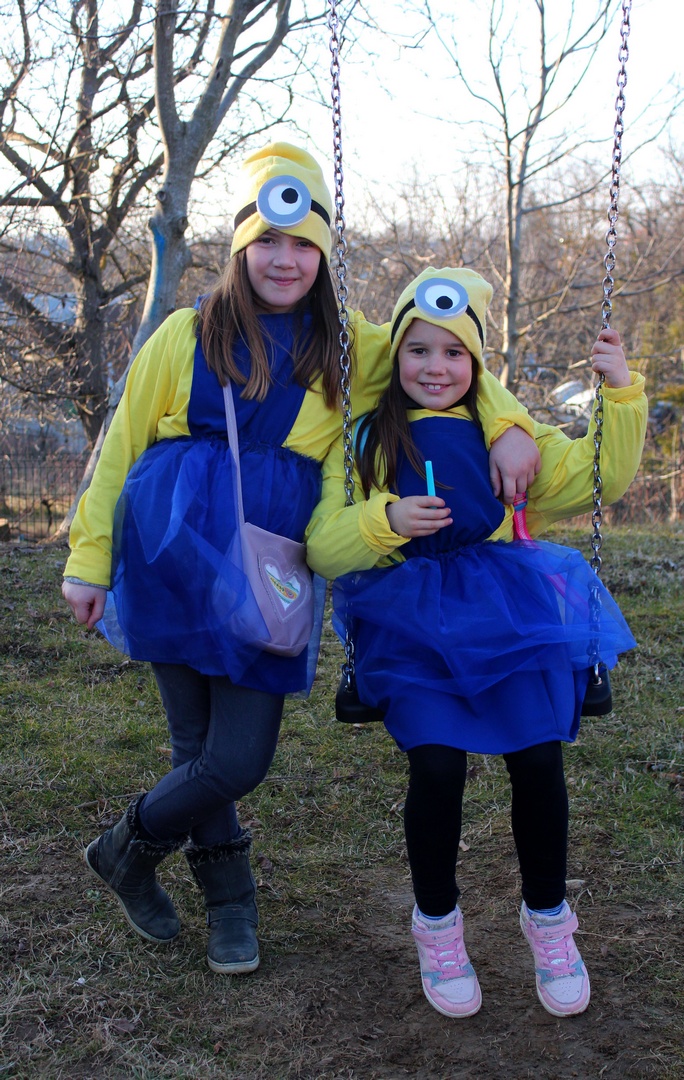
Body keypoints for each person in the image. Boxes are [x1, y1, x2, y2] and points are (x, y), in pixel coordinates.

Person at [61, 148, 541, 975]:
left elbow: (446, 353)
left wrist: (507, 422)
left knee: (238, 757)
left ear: (322, 255)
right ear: (242, 244)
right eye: (268, 241)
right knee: (194, 746)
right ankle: (231, 906)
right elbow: (121, 450)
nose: (285, 261)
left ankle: (125, 847)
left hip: (268, 561)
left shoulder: (352, 347)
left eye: (304, 244)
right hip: (168, 549)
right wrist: (89, 557)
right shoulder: (185, 333)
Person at [306, 267, 647, 1018]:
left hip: (504, 609)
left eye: (455, 354)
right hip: (410, 619)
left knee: (537, 760)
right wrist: (385, 522)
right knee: (435, 768)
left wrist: (620, 392)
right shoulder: (363, 437)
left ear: (479, 365)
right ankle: (437, 923)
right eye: (418, 350)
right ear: (393, 358)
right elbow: (325, 549)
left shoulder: (513, 446)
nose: (435, 367)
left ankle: (549, 917)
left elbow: (604, 479)